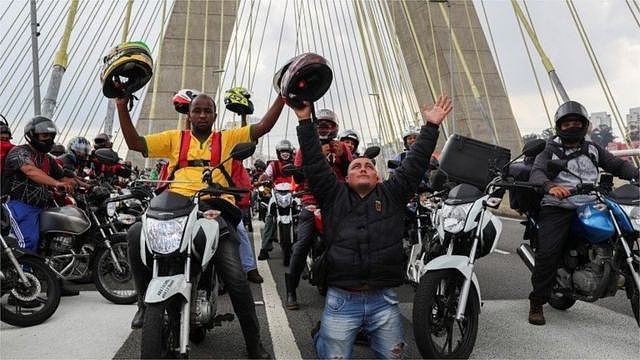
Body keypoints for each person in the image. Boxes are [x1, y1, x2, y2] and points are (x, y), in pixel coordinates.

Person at [116, 92, 284, 359]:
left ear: (215, 115)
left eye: (208, 111)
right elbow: (135, 143)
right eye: (197, 111)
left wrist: (283, 96)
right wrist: (121, 106)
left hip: (215, 209)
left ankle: (254, 342)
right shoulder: (174, 139)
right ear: (189, 115)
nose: (202, 115)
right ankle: (142, 304)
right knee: (137, 232)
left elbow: (262, 127)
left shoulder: (227, 139)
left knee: (236, 278)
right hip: (176, 207)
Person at [291, 96, 451, 358]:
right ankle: (324, 333)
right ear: (346, 176)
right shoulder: (332, 195)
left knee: (394, 356)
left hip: (384, 302)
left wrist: (431, 126)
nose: (363, 167)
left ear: (378, 177)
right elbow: (314, 162)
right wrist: (304, 120)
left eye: (369, 166)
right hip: (342, 298)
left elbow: (414, 163)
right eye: (356, 166)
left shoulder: (392, 194)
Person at [528, 100, 638, 326]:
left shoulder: (593, 149)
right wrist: (550, 186)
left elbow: (618, 166)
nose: (572, 127)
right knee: (548, 253)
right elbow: (537, 172)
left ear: (585, 125)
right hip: (558, 206)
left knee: (624, 229)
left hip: (590, 203)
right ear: (559, 126)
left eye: (577, 122)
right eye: (567, 124)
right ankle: (537, 302)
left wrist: (636, 174)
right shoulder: (550, 149)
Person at [2, 116, 79, 296]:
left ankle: (54, 281)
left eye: (51, 136)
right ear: (32, 135)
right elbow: (31, 171)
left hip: (41, 208)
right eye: (44, 136)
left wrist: (80, 184)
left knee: (51, 244)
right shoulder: (19, 152)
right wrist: (56, 184)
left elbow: (63, 176)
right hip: (17, 205)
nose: (49, 140)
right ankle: (20, 291)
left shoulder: (48, 159)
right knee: (26, 243)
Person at [284, 108, 353, 310]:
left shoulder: (343, 148)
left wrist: (344, 159)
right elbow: (297, 177)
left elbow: (353, 173)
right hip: (311, 200)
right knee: (301, 244)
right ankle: (291, 290)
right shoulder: (305, 148)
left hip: (339, 202)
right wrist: (316, 158)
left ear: (336, 128)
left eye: (329, 125)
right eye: (321, 125)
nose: (325, 129)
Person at [256, 139, 295, 262]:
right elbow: (265, 175)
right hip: (276, 193)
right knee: (269, 217)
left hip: (293, 193)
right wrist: (260, 180)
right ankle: (264, 248)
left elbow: (302, 174)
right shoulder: (273, 165)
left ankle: (304, 245)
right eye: (282, 151)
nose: (285, 154)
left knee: (302, 214)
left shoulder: (296, 163)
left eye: (287, 151)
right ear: (278, 152)